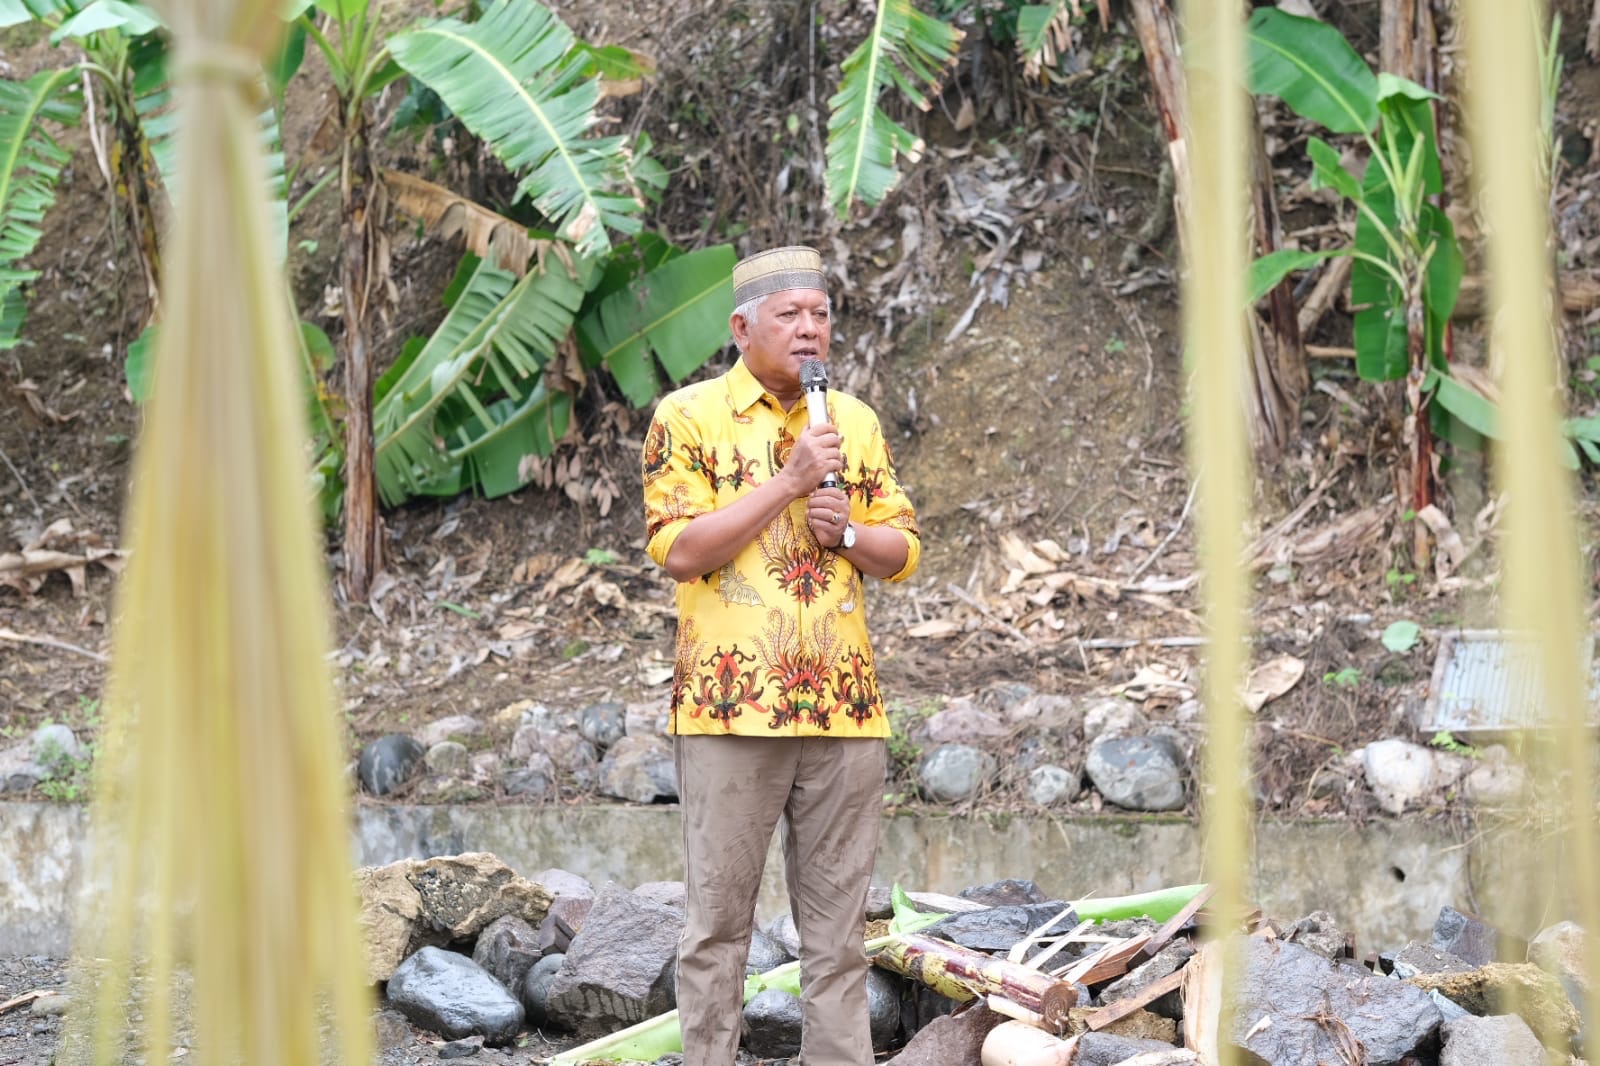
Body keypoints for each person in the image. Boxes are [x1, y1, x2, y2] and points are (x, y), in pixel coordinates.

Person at [642, 245, 921, 1065]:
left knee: (837, 942)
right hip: (731, 712)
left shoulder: (854, 422)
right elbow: (680, 549)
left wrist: (853, 534)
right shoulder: (687, 417)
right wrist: (791, 483)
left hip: (845, 714)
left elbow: (902, 548)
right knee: (718, 931)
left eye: (821, 315)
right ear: (741, 327)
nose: (810, 332)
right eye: (790, 316)